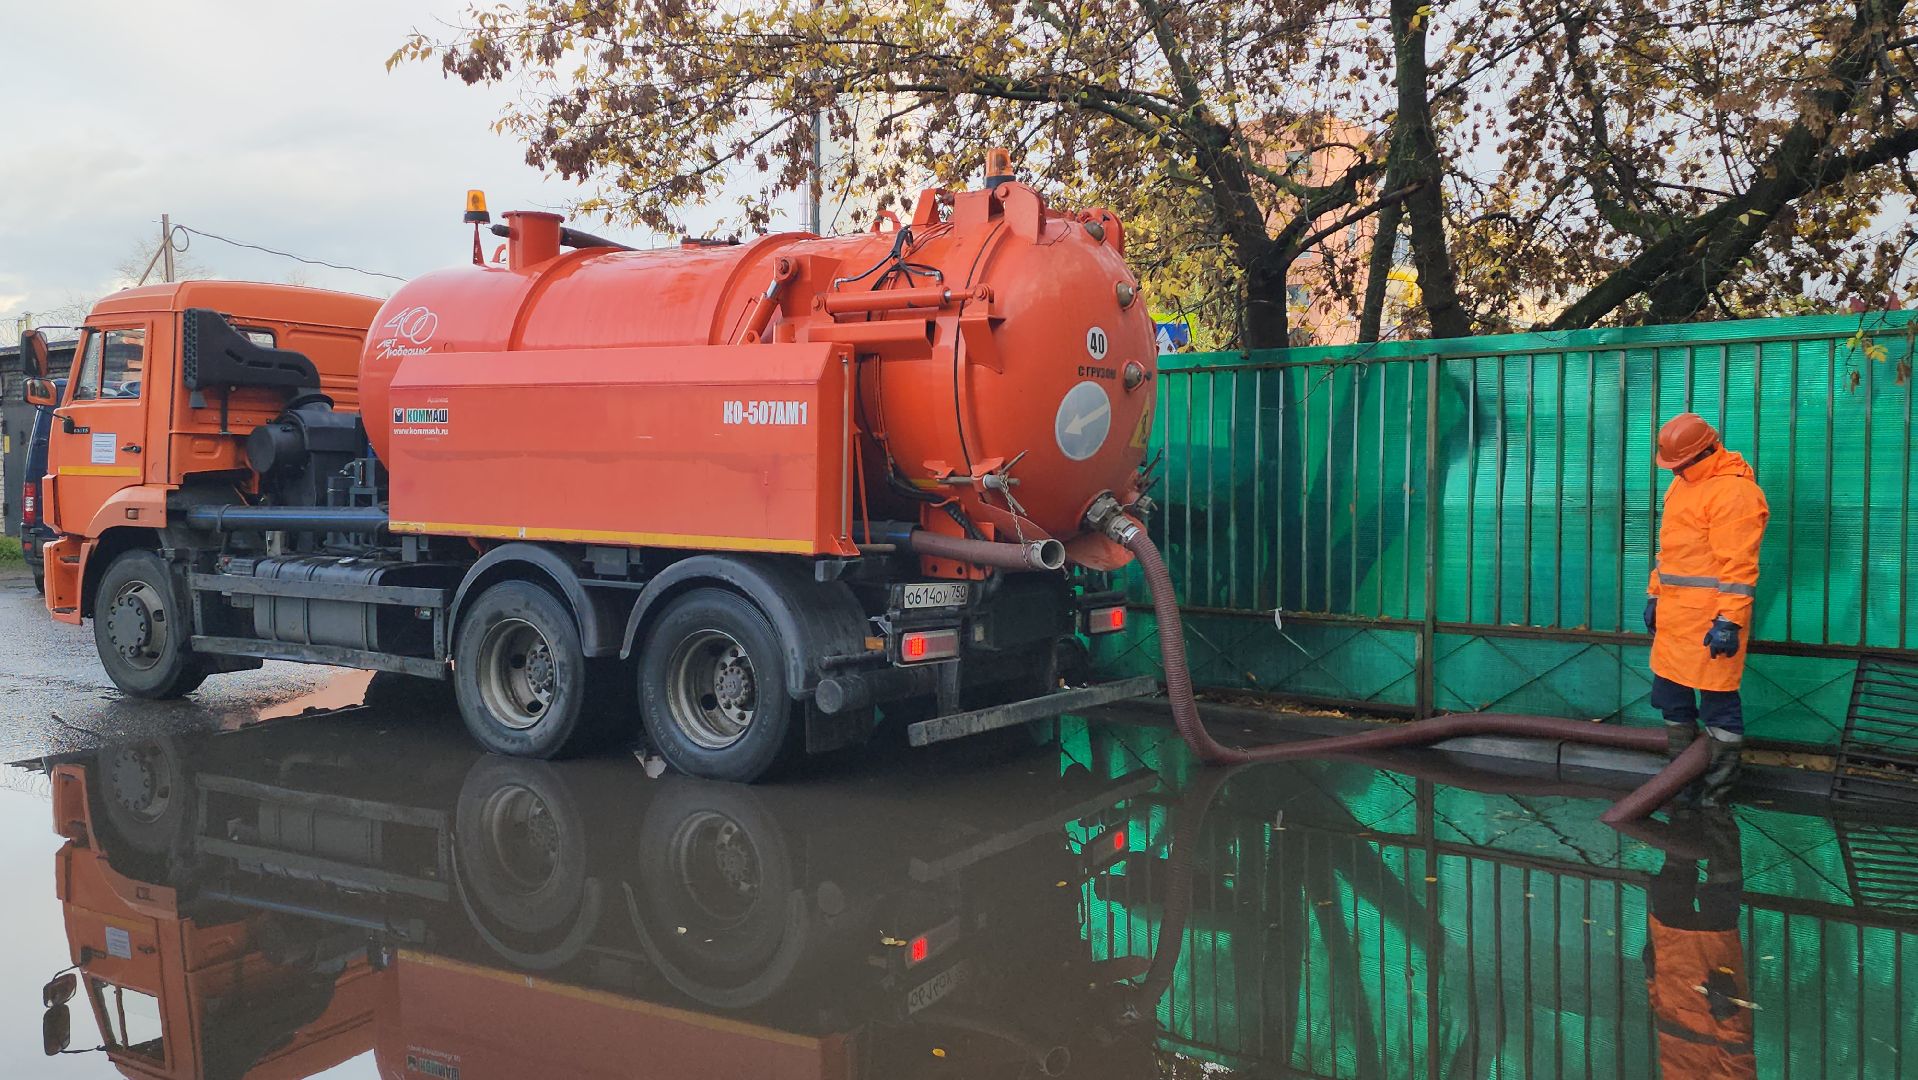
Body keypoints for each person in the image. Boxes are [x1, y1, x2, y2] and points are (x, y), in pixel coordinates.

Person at [1644, 412, 1769, 806]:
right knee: (1671, 699)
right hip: (1676, 618)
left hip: (1711, 621)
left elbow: (1739, 568)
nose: (1675, 471)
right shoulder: (1681, 487)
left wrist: (1729, 620)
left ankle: (1715, 796)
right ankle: (1683, 786)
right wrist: (1655, 594)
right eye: (1672, 465)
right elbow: (1670, 554)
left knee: (1719, 704)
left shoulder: (1735, 493)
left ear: (1704, 452)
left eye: (1680, 464)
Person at [1641, 810, 1756, 1079]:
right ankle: (1718, 812)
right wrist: (1727, 1012)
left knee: (1672, 889)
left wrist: (1651, 979)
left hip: (1674, 979)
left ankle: (1685, 813)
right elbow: (1740, 1058)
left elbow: (1663, 1026)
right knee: (1720, 899)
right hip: (1712, 987)